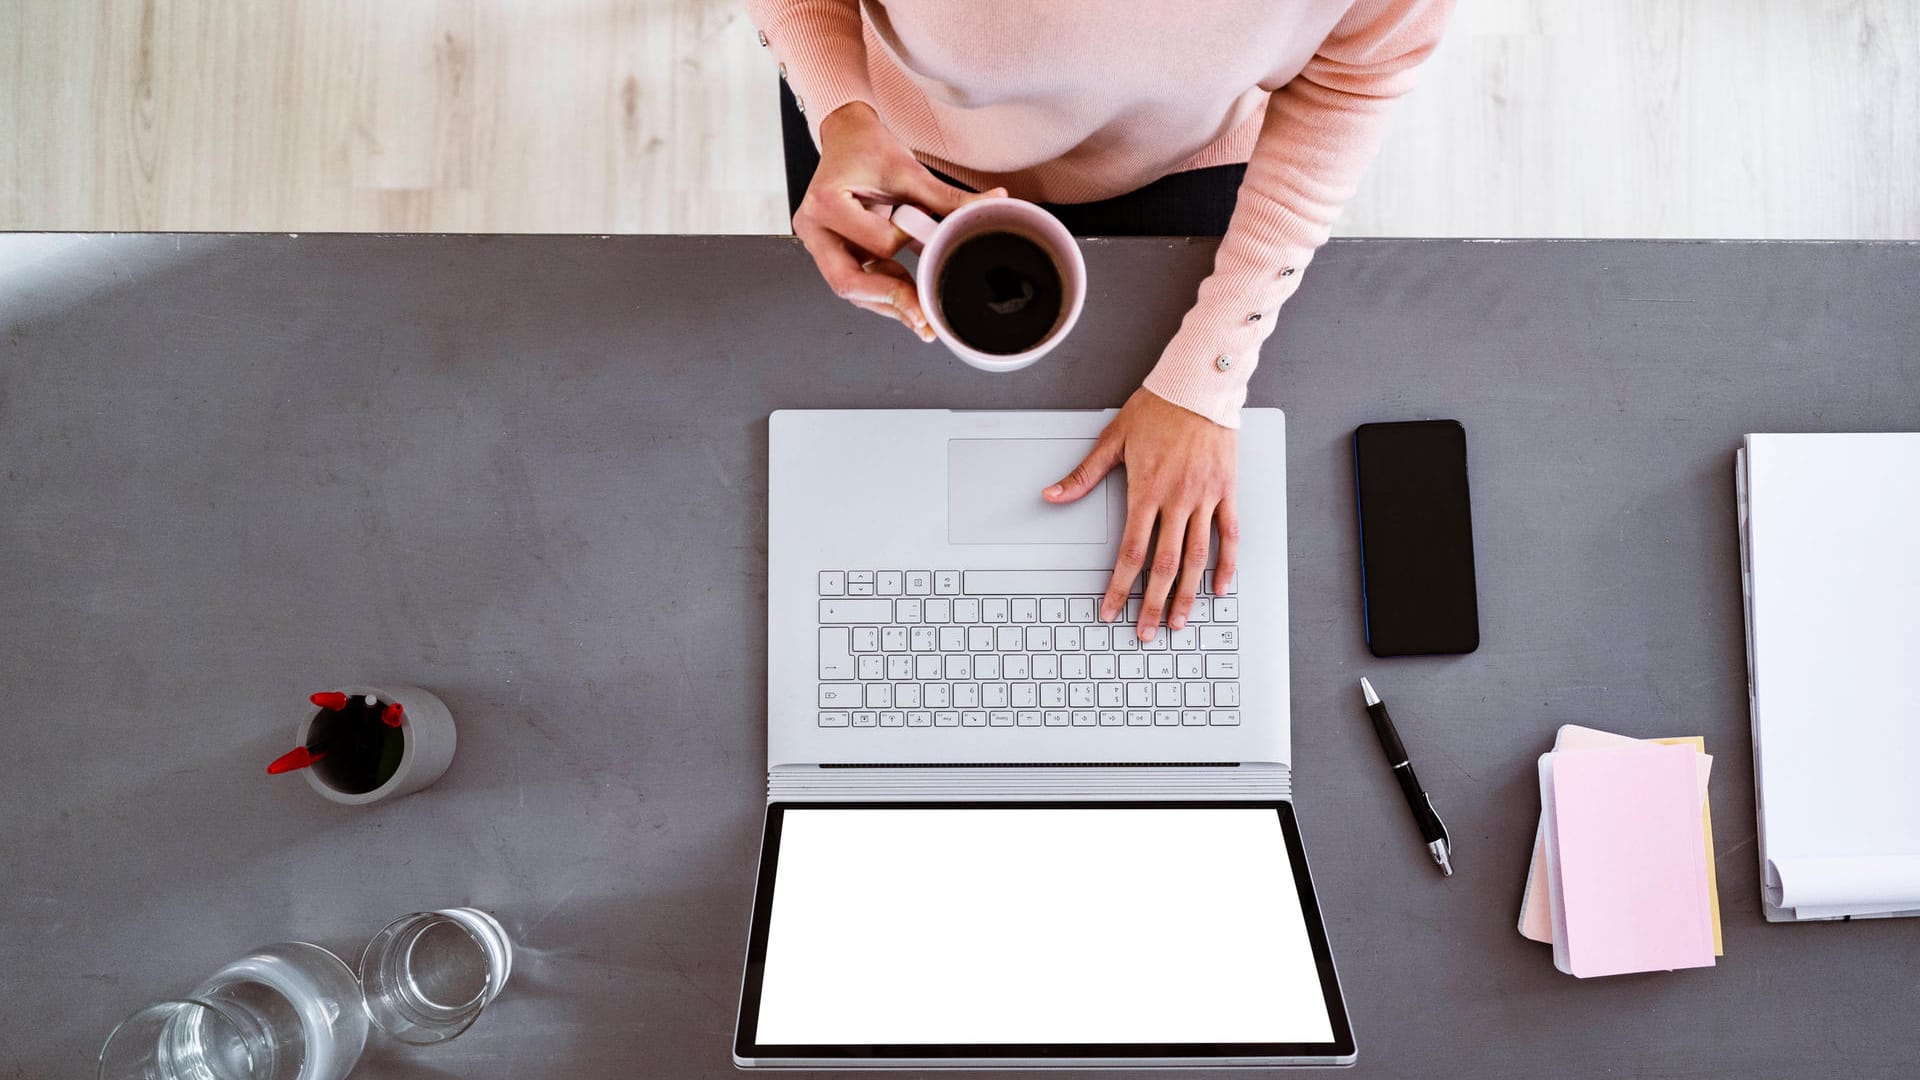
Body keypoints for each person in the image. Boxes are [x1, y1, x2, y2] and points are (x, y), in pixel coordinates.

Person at [749, 0, 1453, 639]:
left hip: (1182, 163)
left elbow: (1352, 76)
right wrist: (839, 113)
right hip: (890, 147)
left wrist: (1208, 375)